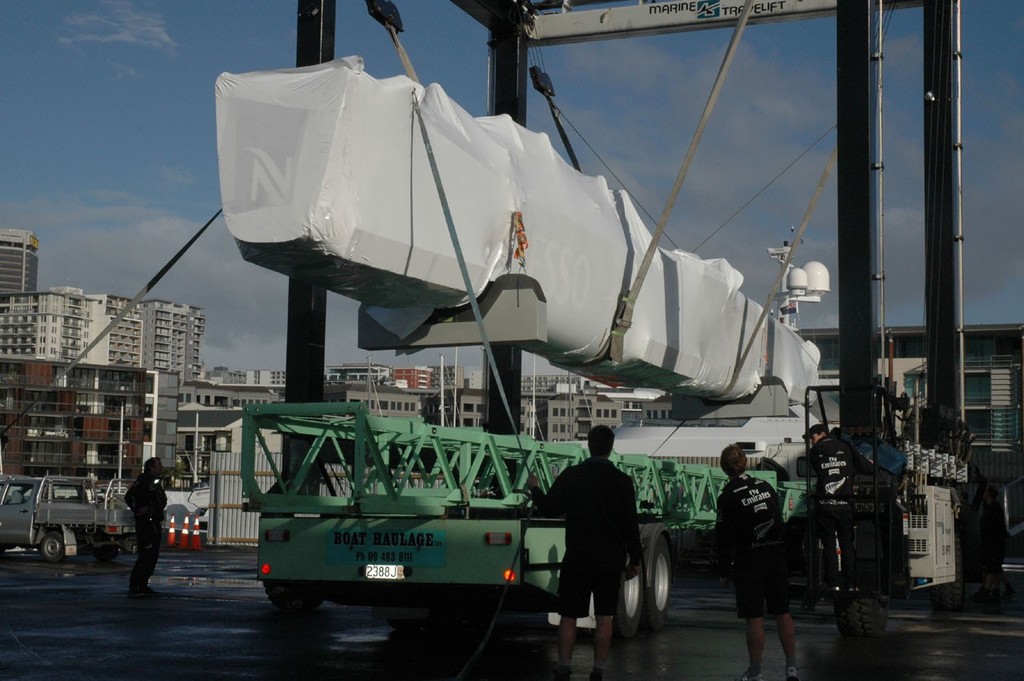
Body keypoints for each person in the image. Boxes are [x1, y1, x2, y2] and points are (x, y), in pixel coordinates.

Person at [526, 425, 642, 681]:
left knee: (568, 616)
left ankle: (564, 668)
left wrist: (534, 488)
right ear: (611, 448)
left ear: (589, 445)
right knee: (604, 617)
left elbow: (550, 508)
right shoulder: (623, 482)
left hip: (577, 558)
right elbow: (630, 524)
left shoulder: (572, 476)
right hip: (610, 561)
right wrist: (635, 560)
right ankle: (598, 671)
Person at [716, 444, 799, 681]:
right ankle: (792, 667)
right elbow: (778, 519)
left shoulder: (728, 497)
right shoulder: (766, 486)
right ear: (744, 462)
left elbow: (723, 537)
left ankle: (756, 672)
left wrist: (724, 571)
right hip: (775, 555)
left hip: (750, 560)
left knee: (754, 617)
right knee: (783, 612)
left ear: (724, 468)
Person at [805, 423, 873, 591]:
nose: (812, 442)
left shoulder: (814, 453)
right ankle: (850, 583)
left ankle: (834, 583)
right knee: (847, 545)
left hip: (825, 505)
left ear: (822, 434)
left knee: (828, 545)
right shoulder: (847, 447)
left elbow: (817, 470)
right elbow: (867, 468)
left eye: (813, 438)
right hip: (845, 504)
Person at [125, 457, 167, 597]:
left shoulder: (156, 482)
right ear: (151, 467)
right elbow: (129, 496)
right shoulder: (143, 480)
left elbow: (161, 499)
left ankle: (143, 584)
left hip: (154, 522)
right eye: (158, 464)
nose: (161, 466)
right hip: (145, 524)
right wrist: (139, 509)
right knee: (145, 555)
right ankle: (135, 584)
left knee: (153, 555)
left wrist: (157, 509)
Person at [973, 485, 1009, 604]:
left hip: (993, 543)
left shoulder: (993, 508)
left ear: (988, 494)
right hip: (992, 543)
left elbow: (993, 528)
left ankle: (987, 590)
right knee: (994, 567)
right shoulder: (991, 507)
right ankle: (995, 590)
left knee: (992, 567)